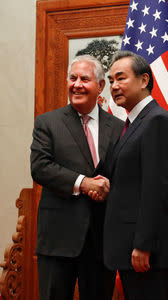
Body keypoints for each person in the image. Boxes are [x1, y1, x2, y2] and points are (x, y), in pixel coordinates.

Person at [30, 55, 124, 300]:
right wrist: (84, 183)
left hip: (101, 242)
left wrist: (107, 187)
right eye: (73, 78)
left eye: (84, 79)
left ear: (101, 86)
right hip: (58, 240)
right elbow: (40, 167)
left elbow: (123, 174)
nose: (77, 84)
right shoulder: (48, 123)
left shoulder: (118, 127)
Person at [103, 50, 168, 300]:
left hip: (145, 251)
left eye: (121, 78)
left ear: (144, 80)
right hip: (130, 247)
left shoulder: (156, 120)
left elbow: (156, 188)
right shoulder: (135, 123)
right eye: (111, 80)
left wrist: (143, 245)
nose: (114, 86)